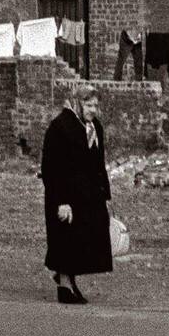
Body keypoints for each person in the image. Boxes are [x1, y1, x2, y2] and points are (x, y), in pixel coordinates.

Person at [39, 83, 112, 305]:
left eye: (95, 105)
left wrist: (104, 194)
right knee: (66, 239)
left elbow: (99, 163)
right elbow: (51, 168)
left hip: (88, 196)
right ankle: (64, 285)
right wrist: (60, 202)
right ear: (77, 103)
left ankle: (69, 282)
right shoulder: (60, 127)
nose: (93, 110)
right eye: (88, 105)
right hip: (66, 195)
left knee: (82, 240)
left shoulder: (94, 127)